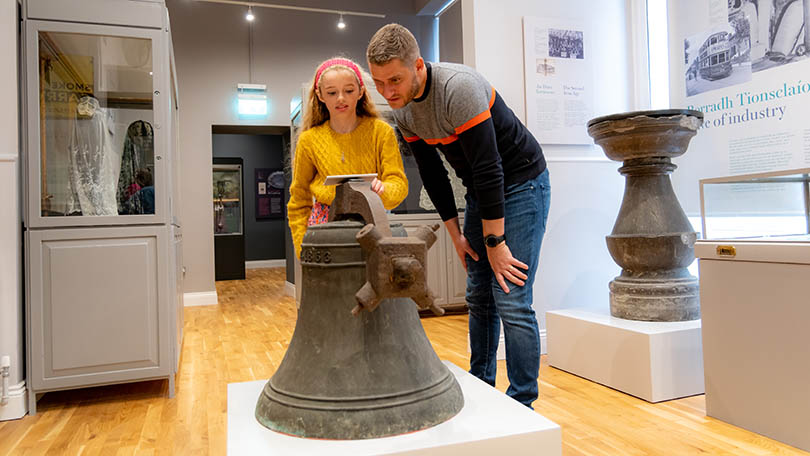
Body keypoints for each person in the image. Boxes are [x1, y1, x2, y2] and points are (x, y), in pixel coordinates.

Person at [367, 24, 551, 408]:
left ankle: (522, 403)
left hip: (521, 182)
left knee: (511, 295)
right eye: (379, 83)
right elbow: (434, 176)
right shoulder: (403, 113)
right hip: (482, 193)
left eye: (395, 80)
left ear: (418, 66)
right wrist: (455, 234)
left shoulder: (459, 88)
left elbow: (490, 168)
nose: (387, 92)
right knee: (477, 294)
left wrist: (495, 243)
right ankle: (482, 386)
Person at [287, 57, 408, 256]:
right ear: (320, 95)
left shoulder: (381, 132)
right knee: (332, 286)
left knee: (375, 282)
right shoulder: (309, 140)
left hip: (373, 222)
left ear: (360, 91)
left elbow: (398, 183)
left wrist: (384, 190)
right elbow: (299, 200)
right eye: (332, 92)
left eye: (349, 91)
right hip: (325, 229)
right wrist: (303, 248)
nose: (341, 98)